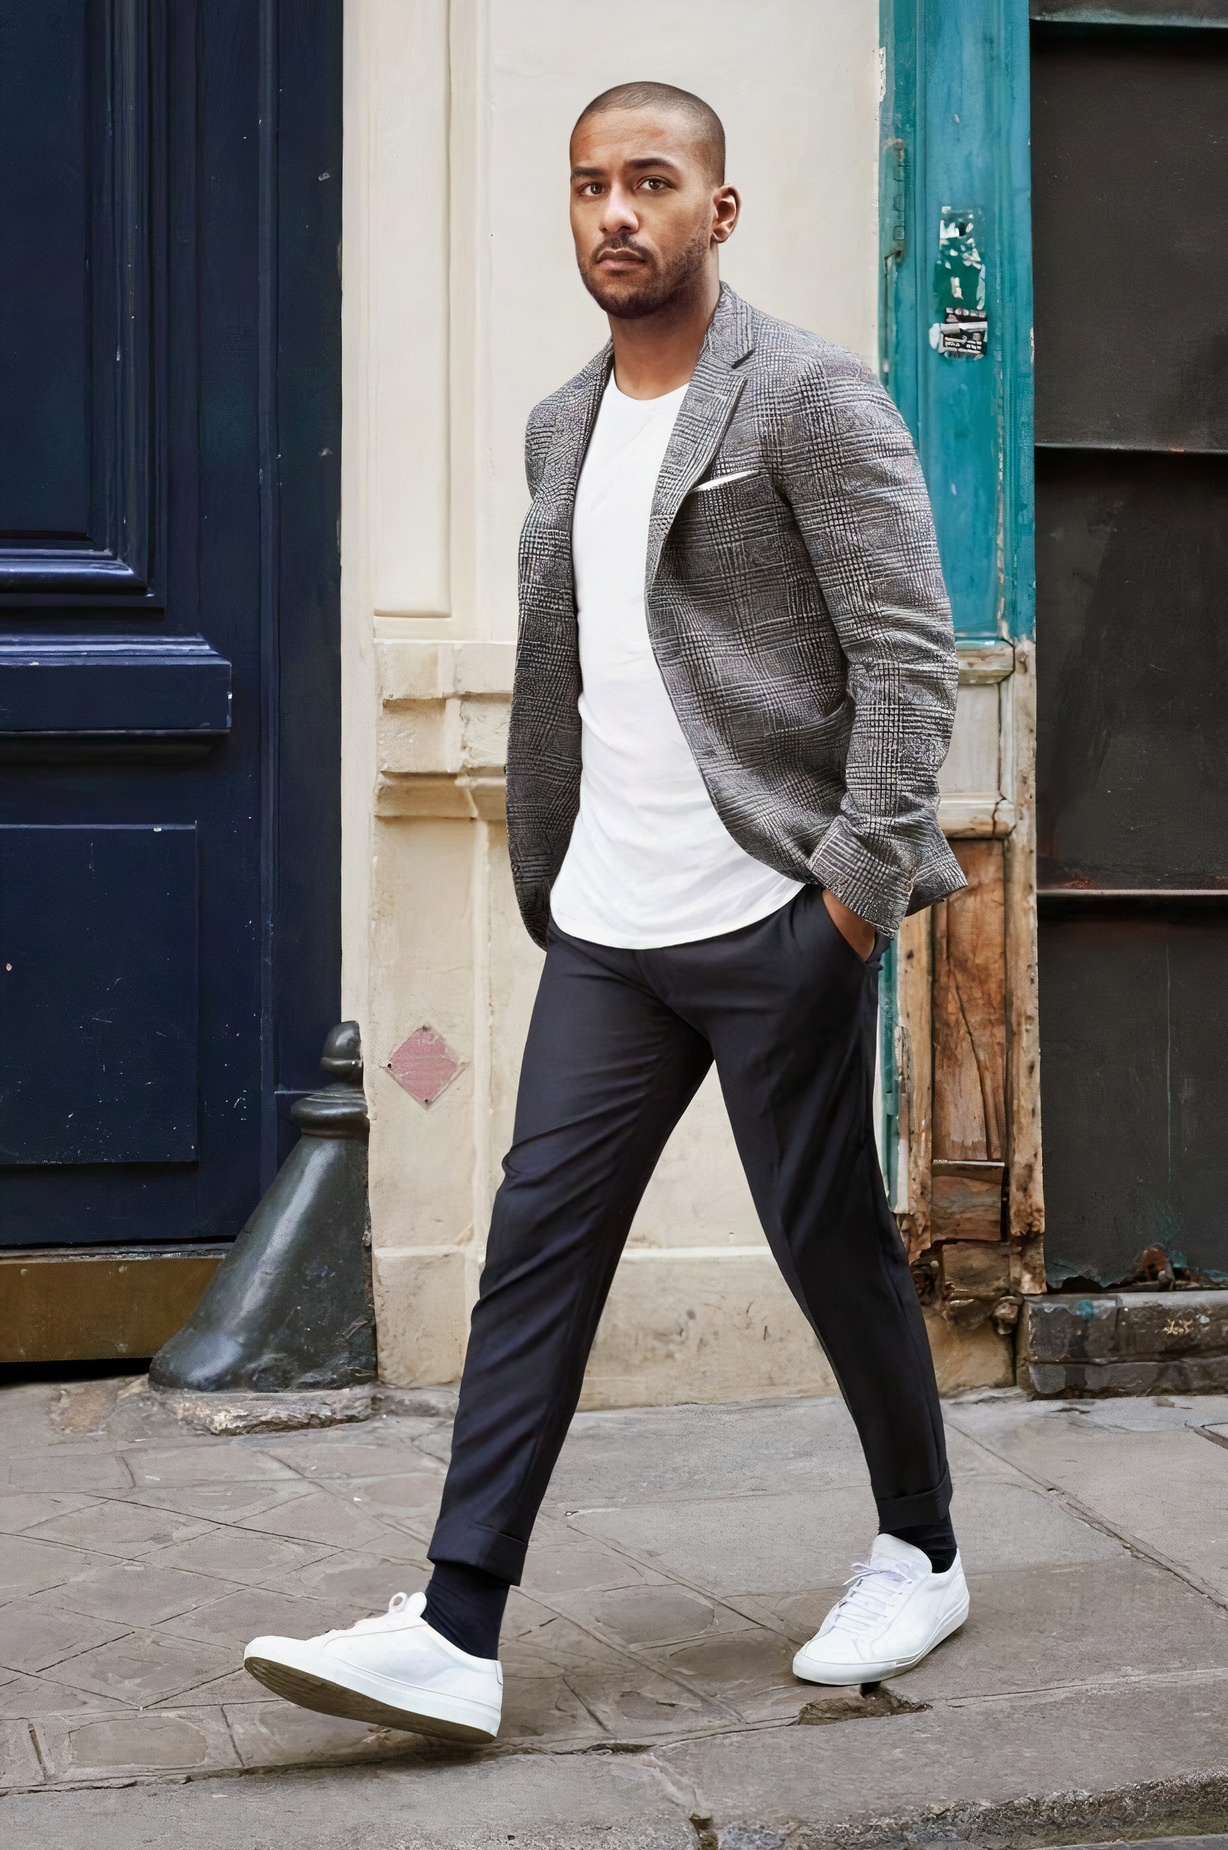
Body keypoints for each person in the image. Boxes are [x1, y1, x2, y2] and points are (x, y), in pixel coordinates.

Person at [244, 80, 969, 1745]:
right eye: (589, 187)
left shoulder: (806, 397)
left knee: (826, 1240)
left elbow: (910, 658)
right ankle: (456, 1624)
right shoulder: (560, 425)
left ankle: (921, 1544)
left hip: (777, 916)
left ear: (720, 210)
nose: (616, 214)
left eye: (652, 182)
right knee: (535, 1255)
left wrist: (849, 909)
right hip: (612, 929)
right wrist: (560, 881)